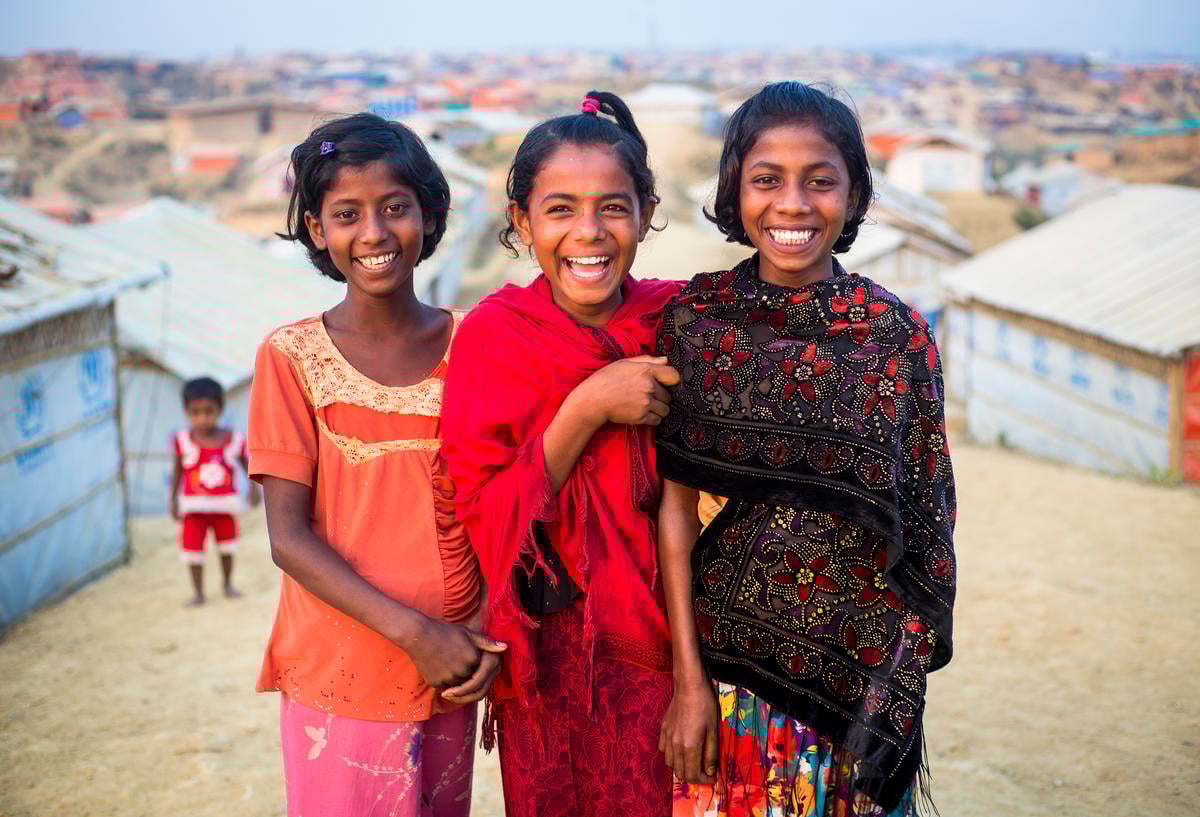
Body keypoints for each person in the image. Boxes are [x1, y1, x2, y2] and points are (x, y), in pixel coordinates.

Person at [655, 82, 958, 817]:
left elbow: (924, 523)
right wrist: (688, 683)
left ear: (854, 196)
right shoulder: (696, 323)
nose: (792, 205)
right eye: (767, 180)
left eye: (820, 181)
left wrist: (887, 698)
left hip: (857, 689)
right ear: (735, 190)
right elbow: (674, 512)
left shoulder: (894, 336)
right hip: (725, 683)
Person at [247, 113, 503, 817]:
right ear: (316, 230)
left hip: (455, 665)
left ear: (430, 212)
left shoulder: (476, 344)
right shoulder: (291, 357)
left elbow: (498, 502)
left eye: (394, 207)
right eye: (346, 214)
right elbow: (288, 539)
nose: (374, 233)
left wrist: (471, 634)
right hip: (344, 669)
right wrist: (418, 634)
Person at [441, 92, 683, 817]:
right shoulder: (494, 336)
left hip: (666, 645)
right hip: (544, 654)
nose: (590, 231)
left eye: (613, 206)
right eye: (560, 209)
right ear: (521, 221)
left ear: (645, 210)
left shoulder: (679, 320)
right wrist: (587, 408)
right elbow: (481, 512)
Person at [171, 376, 258, 605]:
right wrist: (173, 502)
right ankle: (198, 592)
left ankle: (227, 584)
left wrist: (254, 489)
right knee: (193, 550)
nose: (203, 418)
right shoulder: (183, 441)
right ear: (187, 412)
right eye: (196, 412)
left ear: (220, 409)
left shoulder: (233, 440)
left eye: (208, 411)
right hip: (193, 509)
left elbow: (248, 466)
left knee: (227, 547)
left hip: (224, 507)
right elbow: (177, 473)